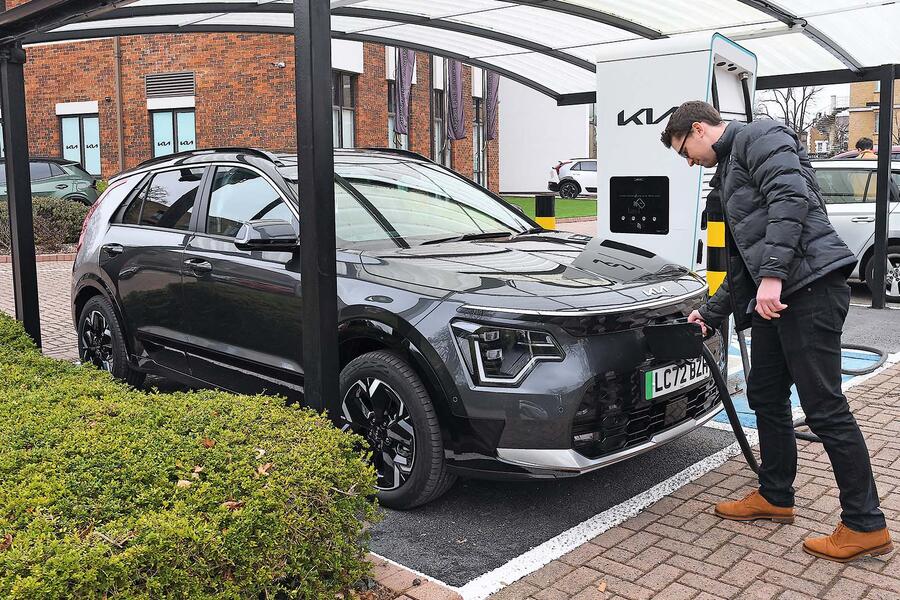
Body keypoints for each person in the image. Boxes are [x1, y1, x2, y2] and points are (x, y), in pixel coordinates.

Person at [660, 101, 892, 563]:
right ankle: (775, 494)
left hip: (808, 291)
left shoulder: (759, 135)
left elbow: (791, 200)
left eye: (684, 149)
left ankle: (866, 524)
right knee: (765, 394)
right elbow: (745, 262)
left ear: (699, 129)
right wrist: (711, 311)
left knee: (825, 408)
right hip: (778, 296)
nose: (688, 161)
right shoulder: (729, 166)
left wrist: (773, 275)